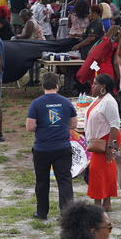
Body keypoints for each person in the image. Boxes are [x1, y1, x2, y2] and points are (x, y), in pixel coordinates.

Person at [27, 73, 77, 221]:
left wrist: (42, 126)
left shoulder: (36, 104)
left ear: (43, 86)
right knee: (65, 180)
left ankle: (42, 212)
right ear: (57, 86)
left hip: (42, 148)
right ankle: (67, 214)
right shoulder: (66, 102)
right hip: (62, 147)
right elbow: (74, 124)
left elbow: (30, 127)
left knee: (42, 181)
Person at [85, 74, 121, 212]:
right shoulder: (98, 99)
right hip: (99, 140)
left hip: (106, 139)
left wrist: (110, 147)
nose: (92, 86)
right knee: (101, 171)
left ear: (103, 86)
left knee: (100, 171)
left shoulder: (109, 101)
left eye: (95, 84)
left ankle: (101, 203)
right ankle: (104, 202)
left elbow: (115, 125)